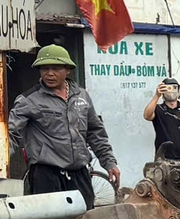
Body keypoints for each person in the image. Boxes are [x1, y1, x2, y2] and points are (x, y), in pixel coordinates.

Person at [9, 44, 119, 210]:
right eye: (44, 68)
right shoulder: (29, 100)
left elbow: (95, 132)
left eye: (55, 68)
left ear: (68, 70)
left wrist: (109, 162)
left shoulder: (82, 96)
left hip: (80, 173)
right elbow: (10, 134)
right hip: (46, 176)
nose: (49, 73)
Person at [144, 77, 180, 159]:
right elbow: (147, 116)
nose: (171, 91)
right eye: (168, 88)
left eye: (174, 88)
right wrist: (157, 95)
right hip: (163, 158)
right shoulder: (158, 109)